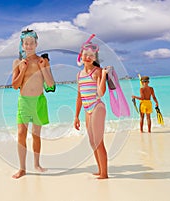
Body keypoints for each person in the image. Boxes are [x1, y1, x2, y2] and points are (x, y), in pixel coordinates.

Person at [11, 29, 55, 179]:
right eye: (26, 43)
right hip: (24, 102)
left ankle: (36, 164)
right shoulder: (17, 62)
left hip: (39, 102)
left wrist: (43, 68)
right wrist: (22, 70)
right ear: (22, 46)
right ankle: (22, 168)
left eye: (32, 43)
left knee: (36, 135)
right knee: (21, 134)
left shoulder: (43, 61)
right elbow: (15, 86)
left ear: (36, 44)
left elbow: (50, 83)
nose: (29, 46)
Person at [74, 35, 108, 179]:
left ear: (95, 58)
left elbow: (101, 93)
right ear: (80, 56)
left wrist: (104, 76)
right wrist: (76, 116)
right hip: (87, 110)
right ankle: (100, 170)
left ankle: (104, 174)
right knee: (92, 141)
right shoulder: (79, 74)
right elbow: (79, 96)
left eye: (91, 55)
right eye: (85, 54)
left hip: (97, 108)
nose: (87, 57)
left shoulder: (98, 72)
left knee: (99, 141)